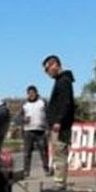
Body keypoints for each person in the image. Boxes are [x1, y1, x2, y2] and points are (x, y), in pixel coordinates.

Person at [42, 54, 76, 183]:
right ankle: (59, 181)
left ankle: (59, 183)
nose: (47, 73)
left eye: (47, 69)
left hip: (61, 125)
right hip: (59, 124)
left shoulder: (64, 81)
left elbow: (65, 103)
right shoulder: (61, 81)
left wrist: (58, 121)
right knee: (58, 153)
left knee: (60, 153)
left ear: (55, 65)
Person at [20, 84, 49, 175]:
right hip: (28, 131)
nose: (31, 95)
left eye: (33, 93)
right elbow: (18, 118)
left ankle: (46, 169)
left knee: (44, 152)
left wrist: (48, 128)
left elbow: (49, 115)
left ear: (37, 93)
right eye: (29, 93)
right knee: (27, 152)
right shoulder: (25, 104)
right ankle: (26, 171)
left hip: (41, 130)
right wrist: (23, 119)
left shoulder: (43, 102)